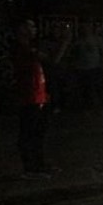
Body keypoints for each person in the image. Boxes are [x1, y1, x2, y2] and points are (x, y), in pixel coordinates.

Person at [13, 18, 69, 180]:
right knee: (29, 132)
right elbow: (52, 60)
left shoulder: (29, 47)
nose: (34, 29)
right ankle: (30, 167)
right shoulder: (21, 48)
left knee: (38, 132)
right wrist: (64, 42)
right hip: (29, 97)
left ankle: (39, 164)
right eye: (30, 26)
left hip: (38, 96)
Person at [70, 23, 103, 110]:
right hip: (81, 68)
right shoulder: (78, 41)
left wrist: (102, 64)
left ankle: (102, 105)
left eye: (87, 27)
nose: (85, 29)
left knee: (97, 87)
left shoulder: (97, 39)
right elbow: (73, 53)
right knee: (85, 88)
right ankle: (87, 106)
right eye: (83, 27)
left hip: (95, 67)